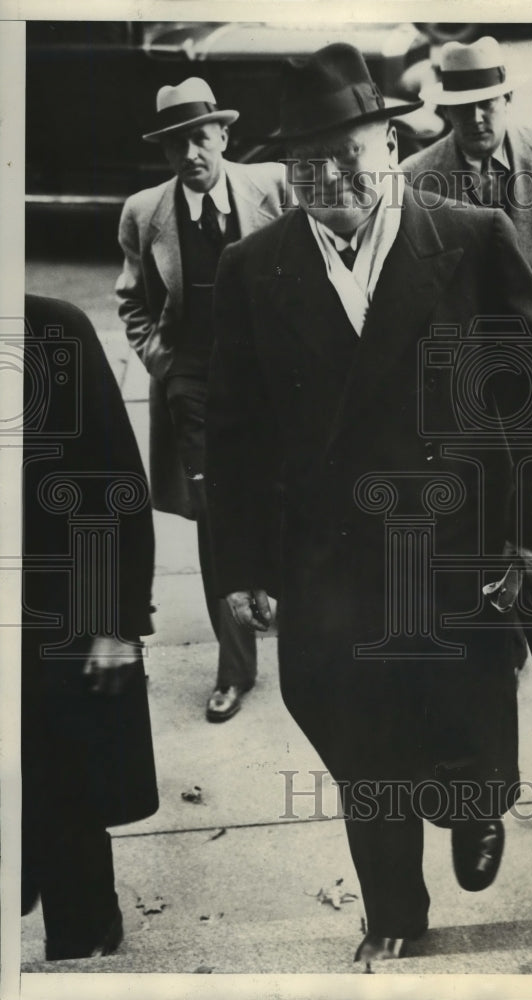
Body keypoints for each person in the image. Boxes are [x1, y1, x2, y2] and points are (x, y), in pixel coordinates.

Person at [206, 43, 532, 962]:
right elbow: (234, 433)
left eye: (349, 152)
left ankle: (475, 796)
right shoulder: (253, 269)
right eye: (305, 161)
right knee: (355, 732)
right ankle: (393, 913)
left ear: (389, 142)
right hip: (328, 560)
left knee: (461, 713)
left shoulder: (467, 238)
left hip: (457, 543)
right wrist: (243, 567)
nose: (328, 176)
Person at [116, 77, 286, 722]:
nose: (190, 152)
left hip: (272, 378)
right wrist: (162, 361)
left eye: (199, 136)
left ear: (223, 135)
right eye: (175, 143)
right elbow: (131, 298)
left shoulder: (270, 188)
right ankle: (234, 668)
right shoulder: (143, 212)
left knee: (286, 495)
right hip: (193, 380)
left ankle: (290, 618)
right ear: (164, 153)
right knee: (218, 517)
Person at [22, 295, 158, 959]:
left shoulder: (52, 329)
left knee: (61, 786)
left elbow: (114, 483)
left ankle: (83, 935)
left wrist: (117, 625)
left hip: (54, 608)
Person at [400, 36, 532, 302]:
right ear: (447, 111)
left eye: (487, 103)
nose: (476, 118)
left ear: (507, 98)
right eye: (462, 107)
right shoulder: (415, 176)